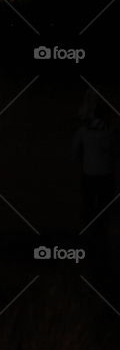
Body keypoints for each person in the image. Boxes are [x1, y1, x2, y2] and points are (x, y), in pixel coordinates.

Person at [73, 95, 119, 262]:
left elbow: (75, 152)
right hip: (103, 174)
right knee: (101, 207)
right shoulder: (109, 133)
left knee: (91, 206)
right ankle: (98, 235)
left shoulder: (85, 132)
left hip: (91, 174)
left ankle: (93, 234)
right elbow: (115, 153)